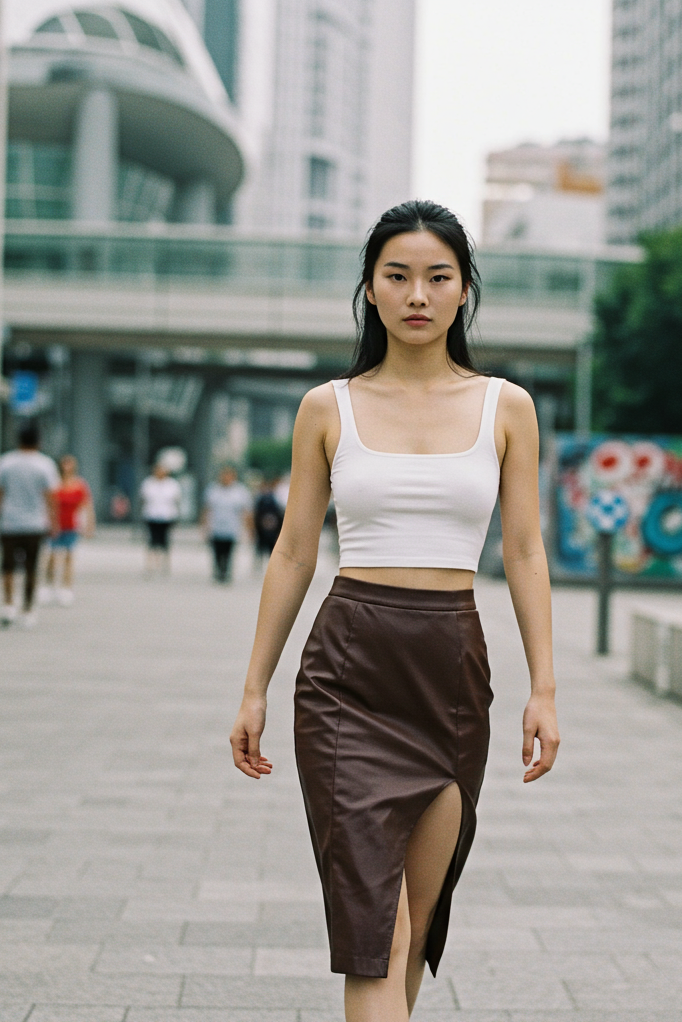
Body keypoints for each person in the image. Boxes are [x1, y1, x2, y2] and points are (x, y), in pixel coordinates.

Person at [229, 200, 561, 1022]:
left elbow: (522, 552)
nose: (418, 294)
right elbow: (295, 553)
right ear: (370, 291)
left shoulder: (506, 407)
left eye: (437, 277)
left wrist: (545, 689)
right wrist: (253, 689)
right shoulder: (327, 407)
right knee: (374, 930)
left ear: (462, 291)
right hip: (348, 673)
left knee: (415, 927)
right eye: (398, 276)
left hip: (451, 672)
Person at [0, 422, 59, 627]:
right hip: (35, 523)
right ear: (38, 441)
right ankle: (27, 609)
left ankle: (8, 605)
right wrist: (54, 522)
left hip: (8, 522)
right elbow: (50, 497)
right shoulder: (45, 464)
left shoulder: (6, 462)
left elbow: (1, 493)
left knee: (7, 566)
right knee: (31, 567)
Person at [42, 454, 95, 606]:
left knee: (69, 556)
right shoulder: (54, 484)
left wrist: (89, 524)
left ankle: (66, 588)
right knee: (51, 556)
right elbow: (48, 504)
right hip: (55, 524)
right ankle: (49, 585)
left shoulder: (79, 484)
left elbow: (87, 505)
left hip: (72, 524)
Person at [201, 466, 252, 583]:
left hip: (232, 527)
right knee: (217, 550)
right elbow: (206, 509)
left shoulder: (240, 491)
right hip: (216, 526)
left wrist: (249, 528)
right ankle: (218, 570)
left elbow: (246, 511)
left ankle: (226, 571)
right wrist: (204, 525)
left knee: (229, 551)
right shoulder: (213, 490)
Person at [140, 462, 182, 573]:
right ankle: (151, 564)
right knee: (152, 540)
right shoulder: (148, 483)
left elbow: (176, 500)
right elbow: (144, 498)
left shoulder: (172, 484)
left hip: (167, 516)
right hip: (152, 515)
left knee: (165, 541)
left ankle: (164, 563)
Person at [253, 476, 284, 564]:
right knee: (261, 546)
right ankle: (259, 562)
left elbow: (279, 513)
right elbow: (256, 513)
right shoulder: (261, 498)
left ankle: (270, 562)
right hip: (262, 527)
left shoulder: (276, 497)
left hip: (273, 526)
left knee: (271, 546)